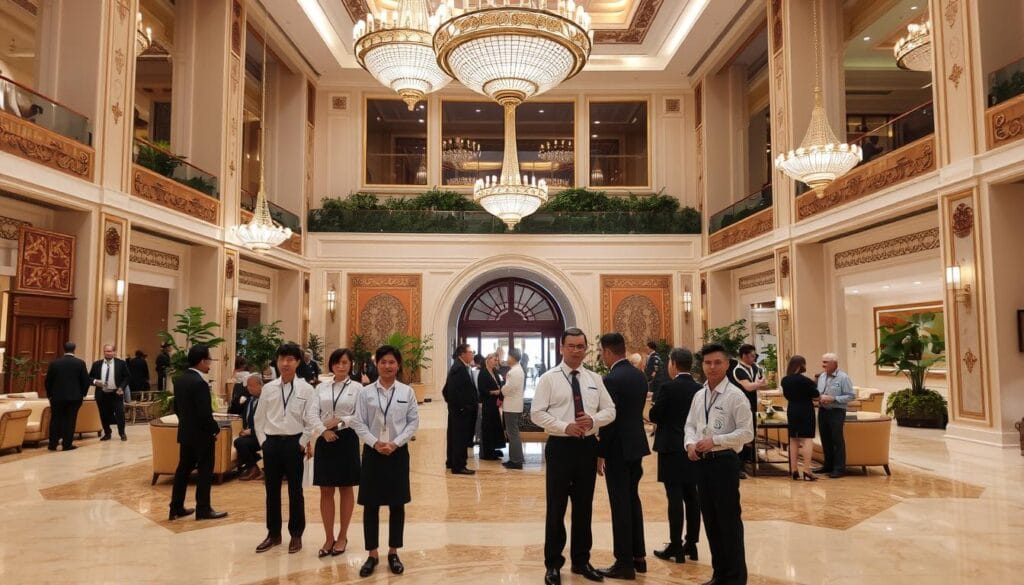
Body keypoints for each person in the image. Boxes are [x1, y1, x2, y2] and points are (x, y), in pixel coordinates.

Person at [531, 327, 616, 585]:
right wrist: (564, 426)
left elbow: (610, 410)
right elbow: (537, 413)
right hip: (560, 447)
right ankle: (553, 564)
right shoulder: (549, 378)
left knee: (583, 508)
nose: (577, 351)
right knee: (556, 508)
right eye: (572, 346)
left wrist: (593, 420)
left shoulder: (594, 379)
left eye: (581, 346)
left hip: (586, 448)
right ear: (562, 348)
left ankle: (581, 561)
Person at [253, 343, 335, 554]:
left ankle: (296, 534)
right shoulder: (269, 388)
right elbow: (258, 418)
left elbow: (310, 418)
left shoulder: (307, 389)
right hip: (271, 444)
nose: (285, 363)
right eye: (282, 359)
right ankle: (273, 534)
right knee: (271, 491)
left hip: (294, 443)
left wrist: (302, 441)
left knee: (295, 491)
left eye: (290, 359)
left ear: (298, 362)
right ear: (277, 362)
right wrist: (263, 442)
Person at [684, 343, 754, 585]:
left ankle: (735, 577)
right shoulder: (699, 394)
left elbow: (747, 433)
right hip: (702, 464)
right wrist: (690, 444)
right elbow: (690, 425)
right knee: (711, 520)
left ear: (727, 364)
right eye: (707, 363)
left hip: (724, 462)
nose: (711, 367)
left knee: (728, 521)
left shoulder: (736, 396)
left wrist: (715, 440)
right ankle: (720, 574)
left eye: (717, 363)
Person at [348, 345, 420, 578]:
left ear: (398, 365)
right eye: (383, 362)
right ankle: (372, 554)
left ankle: (393, 552)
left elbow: (413, 422)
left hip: (398, 453)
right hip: (373, 453)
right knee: (371, 505)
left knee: (397, 504)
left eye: (392, 362)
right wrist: (375, 442)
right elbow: (358, 422)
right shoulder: (366, 393)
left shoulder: (406, 392)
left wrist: (396, 443)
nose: (387, 366)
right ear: (376, 364)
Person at [595, 333, 651, 580]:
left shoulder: (611, 379)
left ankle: (624, 563)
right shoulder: (639, 375)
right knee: (632, 500)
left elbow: (609, 421)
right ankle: (639, 557)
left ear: (607, 352)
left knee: (620, 505)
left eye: (601, 353)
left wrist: (601, 452)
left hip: (618, 448)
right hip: (636, 446)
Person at [649, 347, 701, 564]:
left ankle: (676, 546)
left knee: (674, 498)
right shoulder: (700, 388)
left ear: (673, 364)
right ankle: (692, 544)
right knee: (692, 497)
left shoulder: (668, 387)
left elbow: (655, 415)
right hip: (693, 448)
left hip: (671, 447)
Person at [169, 344, 228, 521]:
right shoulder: (199, 383)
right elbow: (204, 413)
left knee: (183, 470)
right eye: (209, 360)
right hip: (202, 436)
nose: (209, 364)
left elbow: (177, 408)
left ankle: (175, 507)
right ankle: (203, 508)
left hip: (186, 433)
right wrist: (215, 429)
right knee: (204, 471)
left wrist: (187, 423)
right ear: (202, 361)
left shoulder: (180, 380)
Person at [313, 348, 363, 558]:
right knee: (326, 490)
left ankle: (342, 535)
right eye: (337, 362)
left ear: (351, 365)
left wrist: (341, 421)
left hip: (347, 439)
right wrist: (323, 431)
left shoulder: (359, 388)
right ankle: (328, 537)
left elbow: (361, 415)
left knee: (345, 488)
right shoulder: (321, 388)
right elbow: (311, 413)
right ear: (331, 365)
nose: (341, 366)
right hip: (325, 440)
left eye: (345, 362)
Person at [814, 352, 856, 479]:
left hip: (836, 411)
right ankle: (828, 465)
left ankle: (839, 468)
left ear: (834, 364)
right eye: (823, 362)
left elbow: (851, 396)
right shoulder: (821, 376)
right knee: (825, 439)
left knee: (837, 440)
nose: (823, 365)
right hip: (823, 411)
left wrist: (834, 398)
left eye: (826, 362)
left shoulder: (843, 378)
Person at [44, 342, 91, 451]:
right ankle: (67, 444)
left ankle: (52, 444)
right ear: (74, 350)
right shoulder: (80, 363)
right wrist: (83, 394)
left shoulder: (54, 363)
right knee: (70, 420)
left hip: (57, 397)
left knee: (55, 419)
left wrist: (50, 394)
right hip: (74, 397)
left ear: (63, 349)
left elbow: (48, 381)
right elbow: (85, 381)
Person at [782, 355, 820, 481]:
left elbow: (787, 395)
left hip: (792, 409)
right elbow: (816, 396)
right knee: (807, 439)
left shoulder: (785, 380)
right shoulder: (805, 381)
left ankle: (793, 470)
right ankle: (807, 469)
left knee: (793, 439)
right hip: (805, 410)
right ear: (800, 365)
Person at [442, 343, 477, 475]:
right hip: (461, 411)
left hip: (458, 410)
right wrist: (462, 407)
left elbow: (446, 390)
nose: (472, 354)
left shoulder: (460, 366)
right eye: (470, 352)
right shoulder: (459, 369)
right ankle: (459, 466)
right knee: (459, 439)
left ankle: (451, 462)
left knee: (454, 436)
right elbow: (450, 391)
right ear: (462, 354)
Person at [729, 344, 764, 478]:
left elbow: (763, 383)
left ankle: (747, 461)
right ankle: (738, 467)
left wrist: (757, 384)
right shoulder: (738, 369)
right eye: (752, 356)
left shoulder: (756, 368)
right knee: (739, 436)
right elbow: (749, 387)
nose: (754, 358)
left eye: (755, 356)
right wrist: (757, 384)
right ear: (744, 355)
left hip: (753, 406)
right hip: (740, 407)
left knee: (750, 435)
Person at [89, 344, 130, 441]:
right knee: (103, 414)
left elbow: (127, 377)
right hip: (102, 394)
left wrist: (121, 387)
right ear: (103, 352)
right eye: (106, 351)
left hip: (116, 393)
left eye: (110, 351)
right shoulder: (97, 364)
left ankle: (122, 433)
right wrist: (95, 382)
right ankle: (107, 433)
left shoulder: (121, 363)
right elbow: (89, 378)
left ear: (114, 352)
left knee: (120, 413)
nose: (108, 353)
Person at [234, 374, 264, 481]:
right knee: (239, 441)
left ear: (261, 385)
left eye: (252, 386)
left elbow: (268, 422)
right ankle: (254, 467)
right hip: (250, 434)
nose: (249, 388)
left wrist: (251, 431)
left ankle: (253, 467)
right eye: (248, 386)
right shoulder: (249, 400)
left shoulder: (266, 401)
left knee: (240, 442)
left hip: (263, 435)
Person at [478, 352, 506, 461]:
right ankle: (487, 452)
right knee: (488, 426)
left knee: (495, 425)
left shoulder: (495, 371)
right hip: (488, 403)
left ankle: (493, 448)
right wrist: (494, 392)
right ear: (488, 360)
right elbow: (482, 390)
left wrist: (500, 395)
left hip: (495, 403)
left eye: (497, 360)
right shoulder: (483, 373)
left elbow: (500, 384)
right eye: (495, 360)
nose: (496, 362)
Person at [501, 348, 526, 470]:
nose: (506, 358)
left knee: (512, 434)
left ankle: (516, 461)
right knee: (513, 433)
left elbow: (508, 389)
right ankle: (518, 457)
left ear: (513, 357)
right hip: (515, 405)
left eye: (508, 356)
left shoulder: (513, 372)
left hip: (511, 406)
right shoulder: (518, 370)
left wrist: (501, 389)